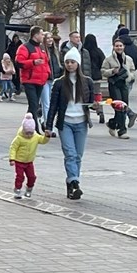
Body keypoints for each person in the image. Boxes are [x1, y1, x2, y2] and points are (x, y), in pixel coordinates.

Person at [44, 49, 95, 200]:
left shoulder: (87, 82)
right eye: (67, 62)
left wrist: (96, 107)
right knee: (70, 154)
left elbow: (91, 102)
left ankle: (72, 183)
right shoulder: (59, 83)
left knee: (78, 156)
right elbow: (53, 105)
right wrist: (48, 126)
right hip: (65, 123)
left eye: (72, 62)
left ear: (78, 63)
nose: (70, 65)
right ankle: (74, 183)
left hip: (81, 122)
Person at [15, 26, 51, 132]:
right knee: (34, 104)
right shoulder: (24, 47)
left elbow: (46, 63)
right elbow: (19, 62)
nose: (43, 36)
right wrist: (33, 62)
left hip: (40, 80)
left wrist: (48, 73)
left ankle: (27, 126)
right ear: (35, 35)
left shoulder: (42, 48)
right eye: (41, 34)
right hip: (29, 80)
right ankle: (35, 129)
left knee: (33, 106)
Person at [8, 113, 50, 199]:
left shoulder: (35, 137)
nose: (29, 135)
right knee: (20, 176)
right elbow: (13, 148)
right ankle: (17, 190)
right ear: (23, 130)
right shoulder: (19, 138)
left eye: (31, 133)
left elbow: (43, 141)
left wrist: (47, 136)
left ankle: (29, 188)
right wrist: (12, 159)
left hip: (29, 162)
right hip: (19, 161)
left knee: (32, 177)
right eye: (27, 133)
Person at [101, 39, 137, 139]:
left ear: (124, 47)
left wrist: (130, 76)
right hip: (114, 84)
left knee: (124, 106)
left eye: (120, 46)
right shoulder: (108, 59)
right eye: (117, 46)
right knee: (119, 106)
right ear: (113, 47)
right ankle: (122, 130)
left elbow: (132, 70)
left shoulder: (128, 59)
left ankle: (112, 124)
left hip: (124, 84)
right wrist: (112, 71)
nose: (119, 48)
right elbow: (103, 71)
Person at [83, 33, 106, 125]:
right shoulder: (98, 51)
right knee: (97, 94)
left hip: (86, 76)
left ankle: (87, 114)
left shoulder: (84, 51)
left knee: (86, 95)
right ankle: (100, 112)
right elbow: (103, 62)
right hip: (96, 76)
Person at [41, 32, 62, 128]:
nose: (50, 40)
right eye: (48, 38)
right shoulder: (42, 51)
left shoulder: (55, 51)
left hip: (55, 79)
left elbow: (58, 65)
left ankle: (44, 120)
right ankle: (48, 125)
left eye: (51, 38)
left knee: (53, 102)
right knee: (46, 103)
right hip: (45, 79)